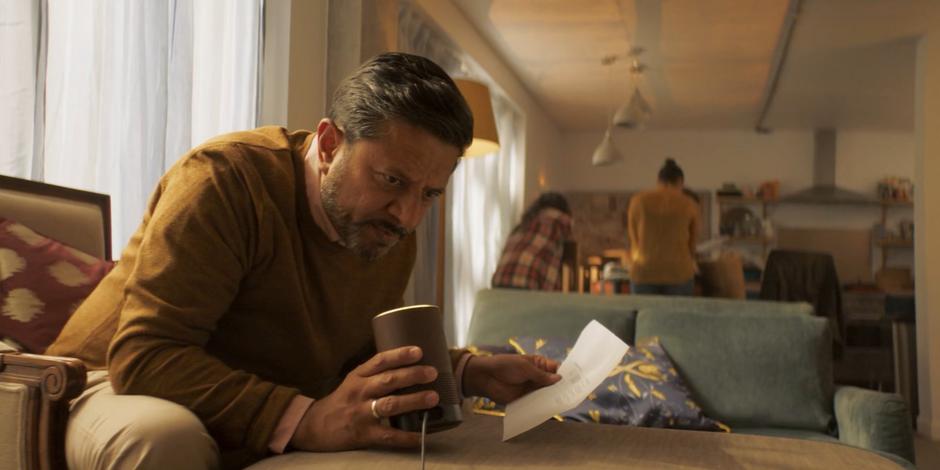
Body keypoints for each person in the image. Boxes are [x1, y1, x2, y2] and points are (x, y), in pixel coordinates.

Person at [46, 53, 560, 470]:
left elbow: (359, 347)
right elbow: (145, 356)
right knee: (164, 440)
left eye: (430, 193)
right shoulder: (224, 181)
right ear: (332, 143)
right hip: (98, 380)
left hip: (257, 392)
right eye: (392, 180)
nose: (408, 215)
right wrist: (306, 419)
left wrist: (468, 372)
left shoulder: (386, 223)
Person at [627, 158, 701, 296]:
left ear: (658, 180)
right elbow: (692, 243)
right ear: (680, 182)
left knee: (643, 315)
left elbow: (634, 238)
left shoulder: (638, 201)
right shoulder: (689, 204)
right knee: (676, 316)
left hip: (644, 271)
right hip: (679, 273)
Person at [491, 192, 573, 291]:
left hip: (499, 287)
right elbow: (552, 277)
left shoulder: (521, 227)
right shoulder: (557, 223)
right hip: (528, 286)